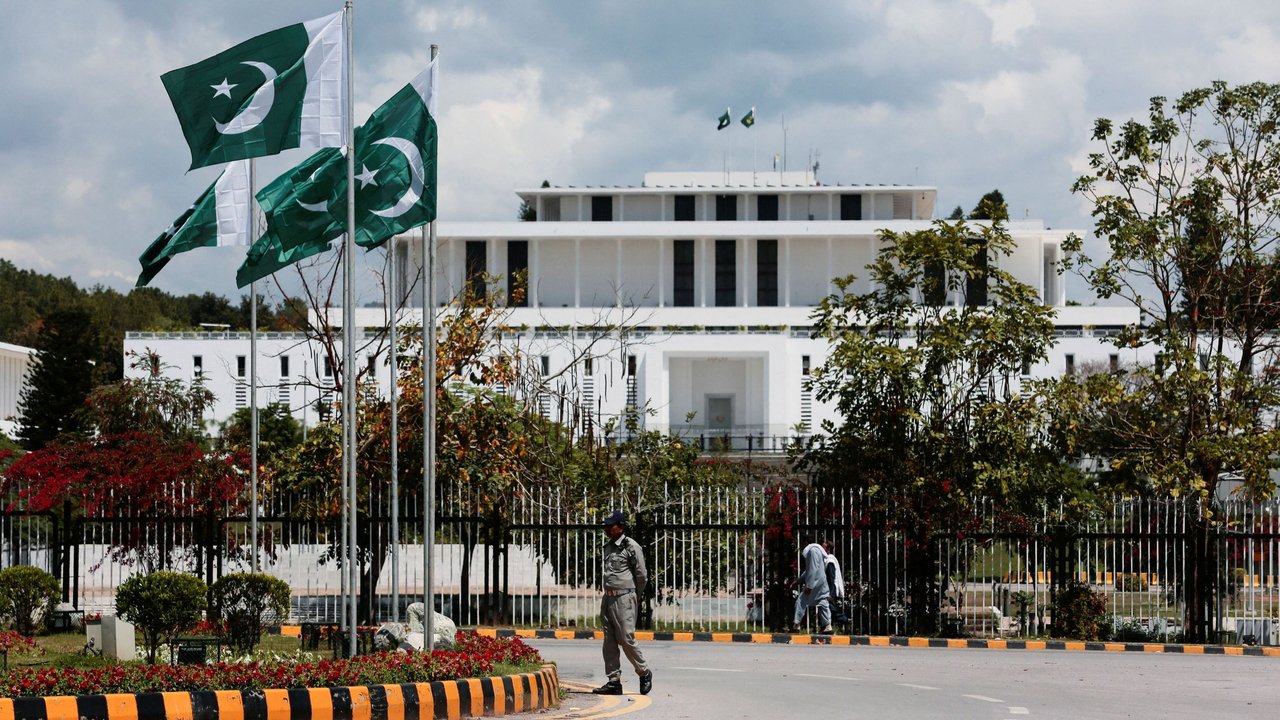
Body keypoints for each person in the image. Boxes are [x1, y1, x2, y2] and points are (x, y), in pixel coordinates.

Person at [592, 510, 654, 696]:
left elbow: (642, 576)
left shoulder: (632, 547)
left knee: (626, 638)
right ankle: (613, 681)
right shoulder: (608, 547)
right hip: (608, 598)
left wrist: (634, 596)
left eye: (610, 526)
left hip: (624, 598)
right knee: (609, 640)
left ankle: (644, 672)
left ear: (621, 526)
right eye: (606, 526)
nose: (607, 529)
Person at [793, 539, 832, 634]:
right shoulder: (818, 552)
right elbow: (809, 570)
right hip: (821, 582)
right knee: (823, 602)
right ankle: (828, 626)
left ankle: (796, 625)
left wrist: (809, 586)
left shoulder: (813, 551)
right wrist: (798, 581)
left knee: (801, 601)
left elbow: (812, 569)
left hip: (815, 582)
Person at [822, 540, 848, 631]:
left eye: (823, 547)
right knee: (828, 609)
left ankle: (844, 619)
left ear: (828, 549)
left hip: (830, 590)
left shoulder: (830, 561)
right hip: (829, 589)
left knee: (830, 608)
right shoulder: (827, 560)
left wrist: (830, 593)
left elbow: (832, 578)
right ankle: (827, 627)